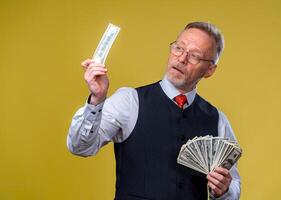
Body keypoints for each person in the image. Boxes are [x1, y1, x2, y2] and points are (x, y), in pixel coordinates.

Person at [67, 21, 241, 200]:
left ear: (209, 70)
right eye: (178, 48)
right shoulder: (129, 101)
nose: (181, 59)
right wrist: (96, 100)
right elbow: (80, 147)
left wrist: (225, 190)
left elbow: (233, 185)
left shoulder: (217, 120)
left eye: (195, 55)